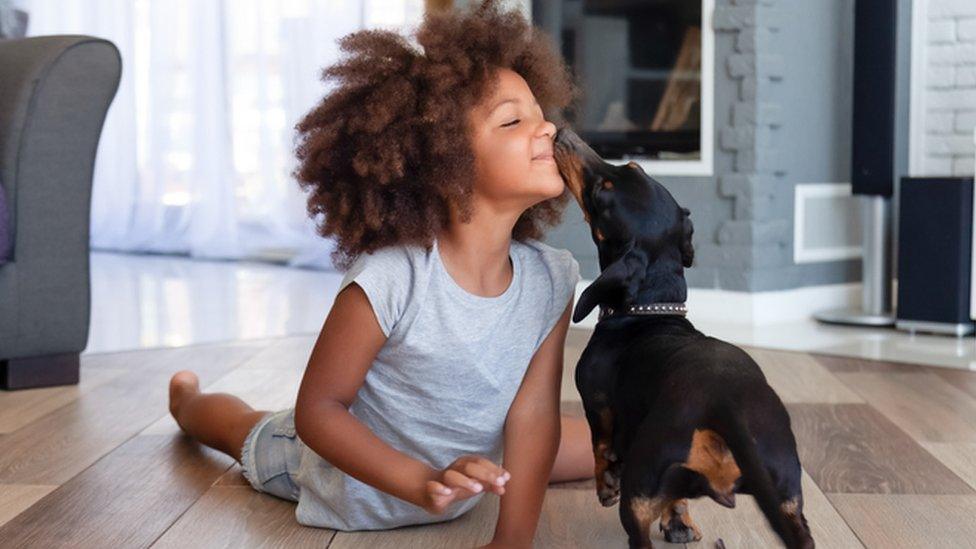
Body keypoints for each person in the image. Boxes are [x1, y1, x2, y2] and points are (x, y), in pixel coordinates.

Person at [167, 1, 594, 545]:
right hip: (339, 480)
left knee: (582, 441)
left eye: (541, 112)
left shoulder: (551, 279)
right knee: (243, 429)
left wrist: (511, 541)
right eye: (513, 120)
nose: (548, 129)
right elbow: (318, 412)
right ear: (445, 165)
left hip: (461, 475)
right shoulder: (393, 277)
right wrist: (419, 480)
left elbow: (534, 420)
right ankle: (186, 399)